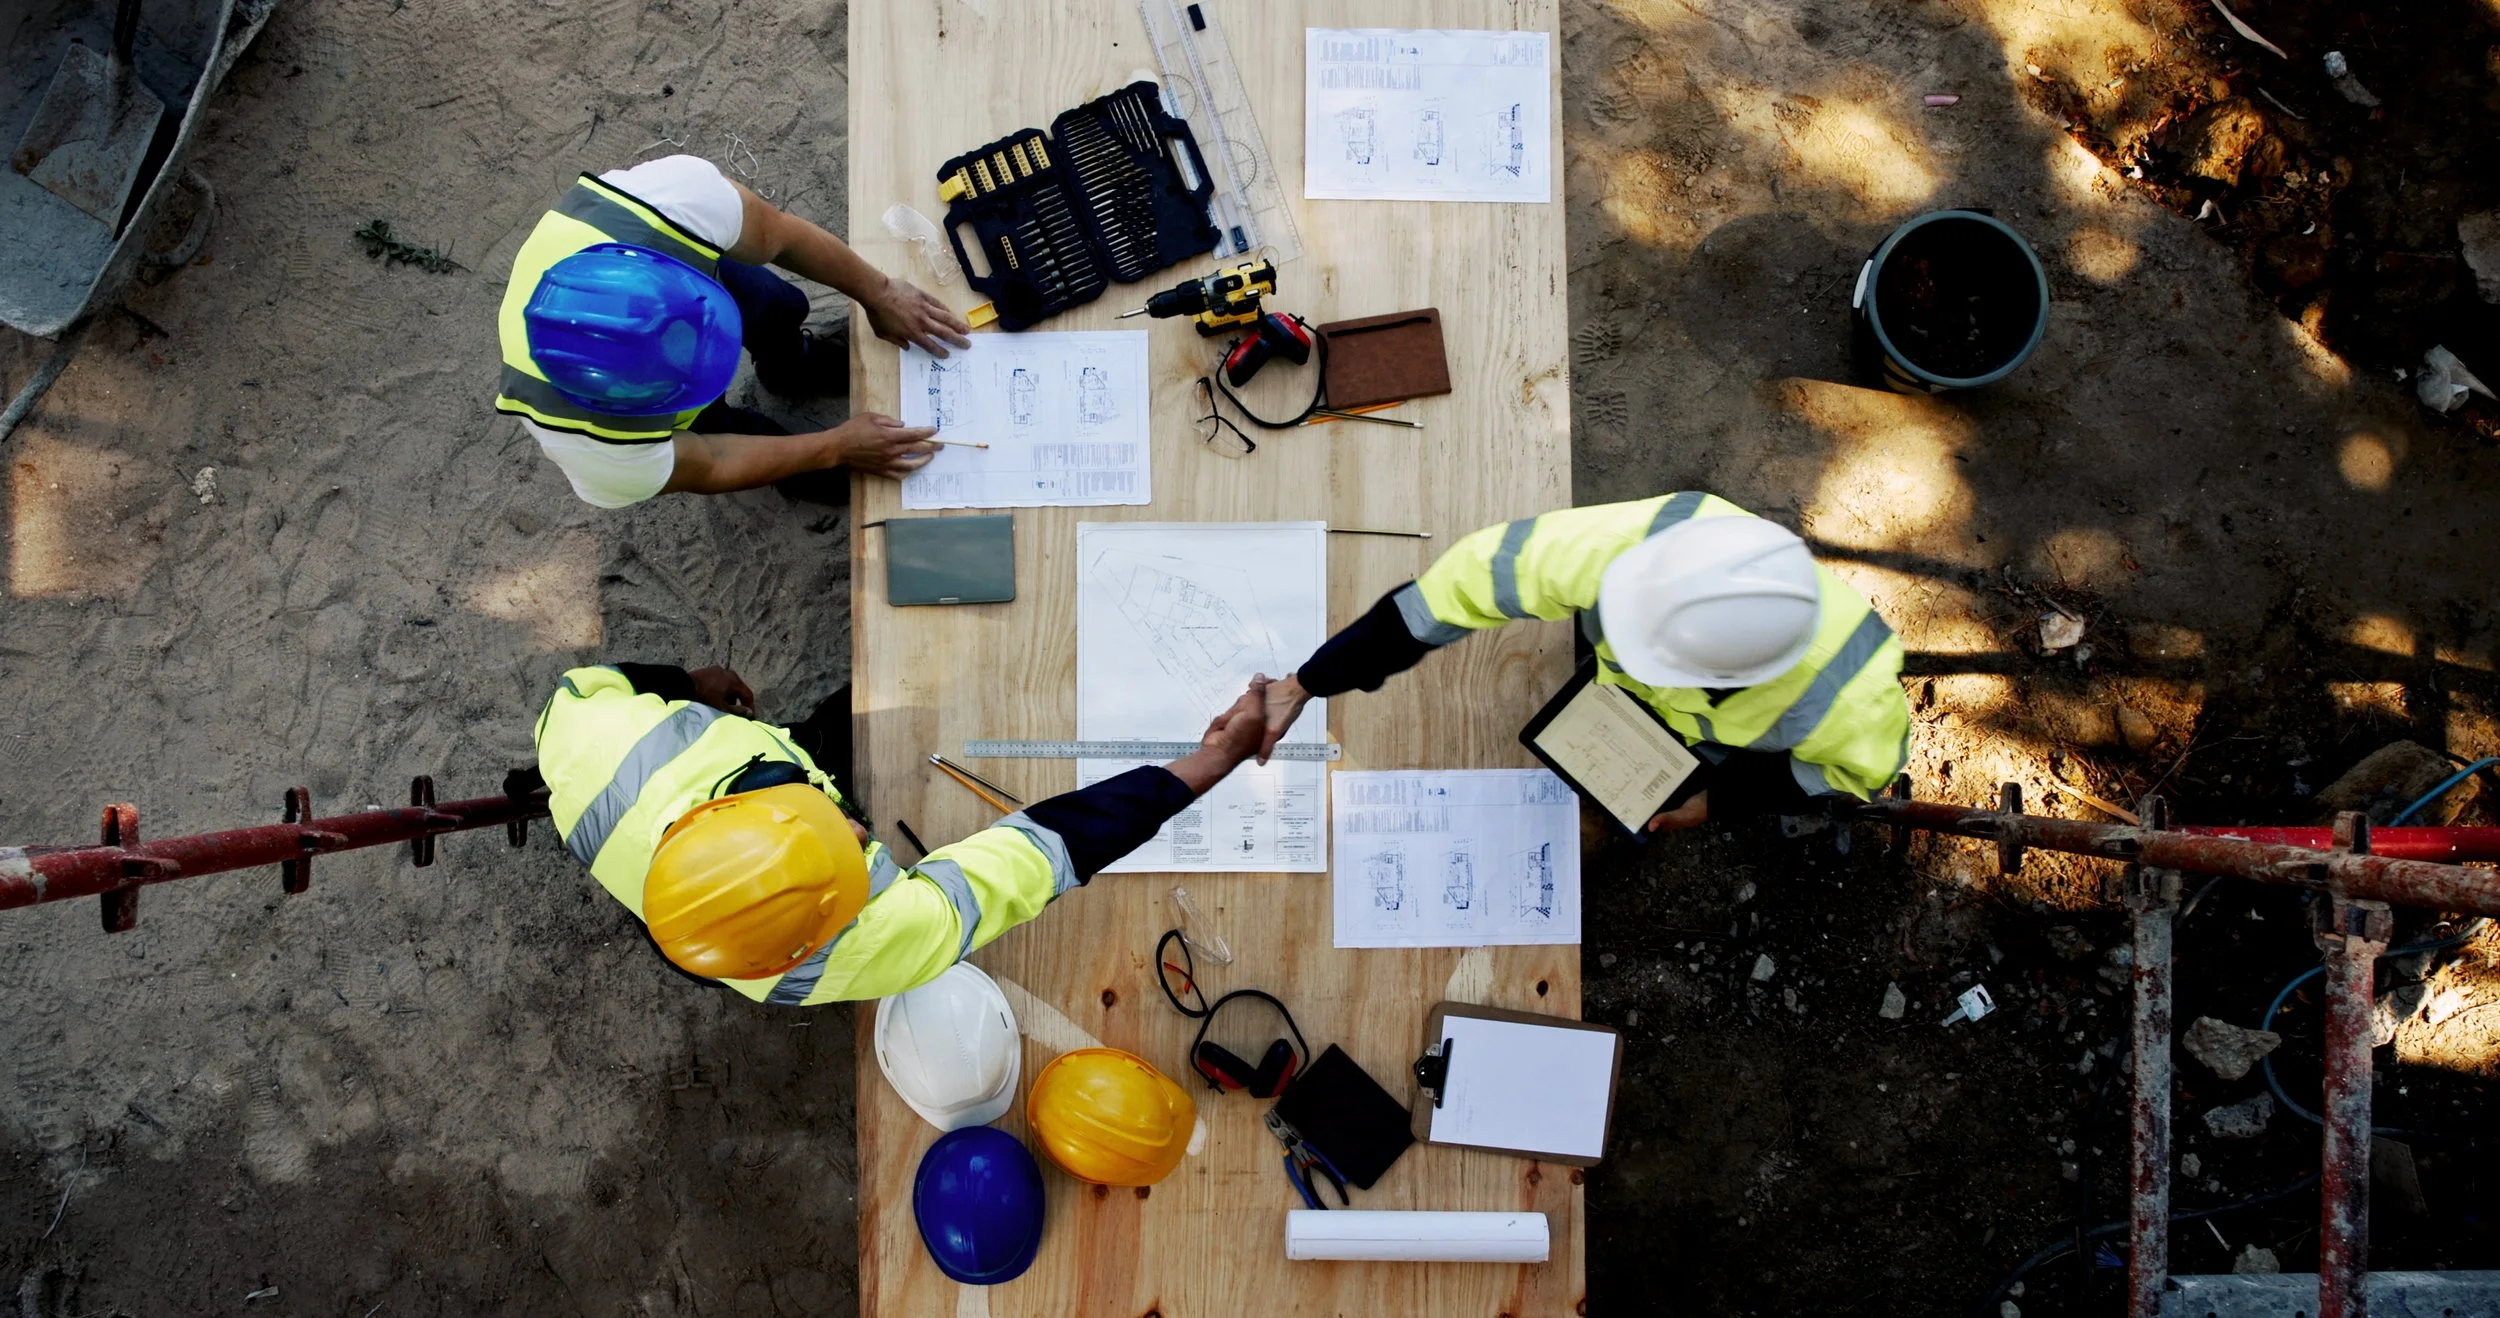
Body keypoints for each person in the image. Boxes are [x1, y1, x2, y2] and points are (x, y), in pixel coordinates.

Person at [529, 662, 1269, 1002]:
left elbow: (595, 682)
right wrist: (1212, 761)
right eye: (852, 846)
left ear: (721, 807)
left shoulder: (586, 738)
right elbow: (1050, 847)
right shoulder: (842, 959)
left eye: (825, 818)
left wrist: (690, 683)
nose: (858, 825)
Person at [1257, 492, 1912, 830]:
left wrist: (1716, 801)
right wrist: (1305, 683)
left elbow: (1851, 776)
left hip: (1703, 747)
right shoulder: (1632, 545)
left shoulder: (1850, 698)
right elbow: (1438, 601)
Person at [494, 154, 973, 508]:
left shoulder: (666, 206)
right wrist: (834, 447)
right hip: (662, 384)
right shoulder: (592, 446)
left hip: (680, 275)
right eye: (687, 373)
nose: (715, 365)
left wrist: (880, 292)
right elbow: (710, 461)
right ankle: (812, 467)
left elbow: (779, 234)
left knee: (776, 305)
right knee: (723, 429)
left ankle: (791, 368)